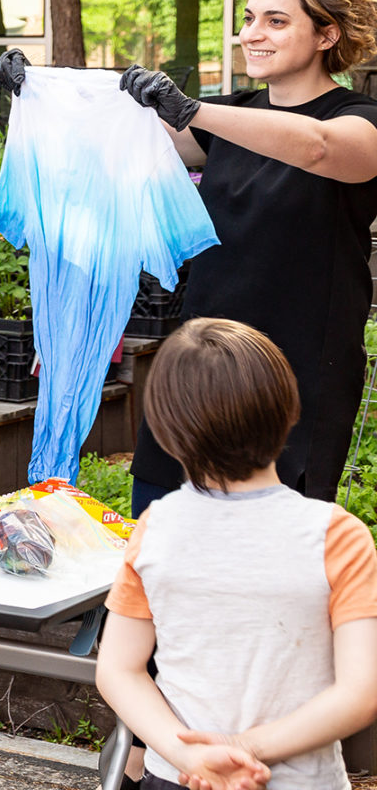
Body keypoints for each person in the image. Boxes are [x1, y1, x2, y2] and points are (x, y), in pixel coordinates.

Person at [0, 0, 377, 514]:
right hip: (198, 369)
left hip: (295, 380)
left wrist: (195, 111)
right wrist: (36, 96)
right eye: (248, 18)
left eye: (275, 21)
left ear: (327, 33)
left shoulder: (360, 118)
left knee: (264, 557)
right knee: (158, 524)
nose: (252, 35)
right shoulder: (232, 115)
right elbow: (112, 145)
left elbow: (318, 147)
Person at [96, 317, 377, 790]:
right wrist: (247, 749)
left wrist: (190, 755)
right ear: (289, 409)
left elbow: (118, 670)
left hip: (180, 775)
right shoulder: (336, 535)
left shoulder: (156, 529)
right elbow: (361, 691)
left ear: (166, 431)